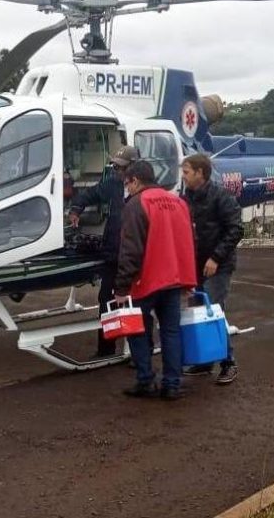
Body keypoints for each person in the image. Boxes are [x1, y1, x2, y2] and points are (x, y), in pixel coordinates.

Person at [114, 161, 197, 400]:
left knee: (137, 331)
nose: (127, 189)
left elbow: (130, 250)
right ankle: (172, 384)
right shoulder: (178, 202)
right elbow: (189, 242)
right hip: (174, 279)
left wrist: (121, 287)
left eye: (127, 184)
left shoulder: (136, 204)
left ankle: (145, 380)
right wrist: (188, 280)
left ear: (135, 181)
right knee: (171, 332)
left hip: (146, 281)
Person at [68, 145, 144, 358]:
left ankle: (139, 352)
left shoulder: (146, 191)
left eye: (121, 168)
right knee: (106, 300)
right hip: (113, 253)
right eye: (116, 167)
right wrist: (76, 209)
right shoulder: (112, 184)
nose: (117, 171)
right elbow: (90, 194)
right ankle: (106, 349)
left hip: (136, 257)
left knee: (138, 302)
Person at [180, 153, 244, 384]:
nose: (183, 176)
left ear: (200, 173)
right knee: (198, 312)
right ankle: (205, 360)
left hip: (218, 266)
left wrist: (215, 258)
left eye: (186, 172)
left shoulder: (221, 196)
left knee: (213, 311)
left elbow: (236, 229)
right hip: (195, 266)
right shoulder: (185, 199)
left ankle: (229, 363)